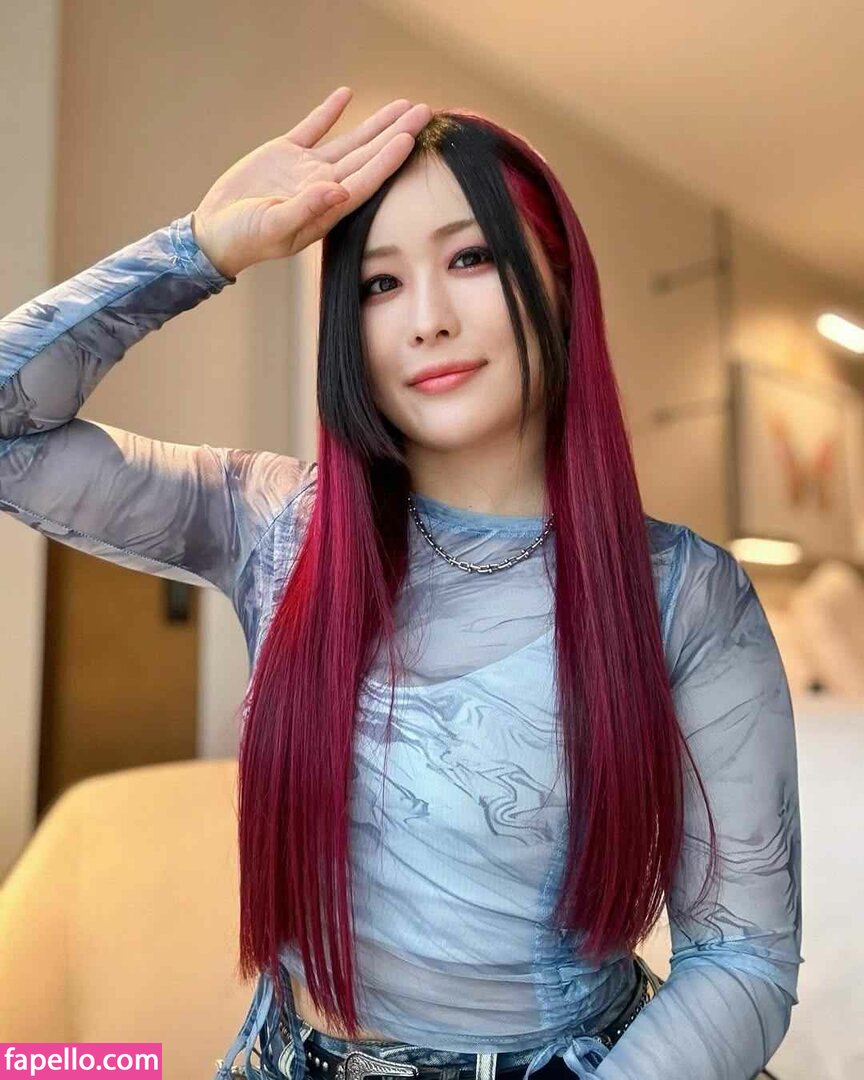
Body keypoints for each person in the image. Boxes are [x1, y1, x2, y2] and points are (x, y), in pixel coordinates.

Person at [0, 87, 801, 1080]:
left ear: (558, 283)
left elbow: (742, 959)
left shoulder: (684, 594)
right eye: (380, 283)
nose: (427, 320)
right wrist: (201, 249)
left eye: (471, 259)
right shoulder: (276, 524)